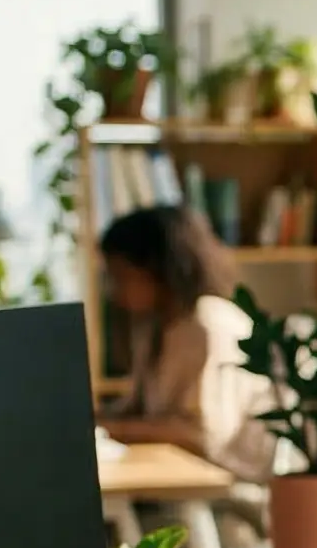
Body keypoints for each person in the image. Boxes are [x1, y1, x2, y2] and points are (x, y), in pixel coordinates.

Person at [97, 205, 273, 482]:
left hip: (230, 490)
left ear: (157, 269)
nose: (114, 292)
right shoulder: (157, 327)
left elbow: (202, 436)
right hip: (179, 483)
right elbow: (141, 411)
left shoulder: (210, 324)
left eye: (122, 276)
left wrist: (111, 428)